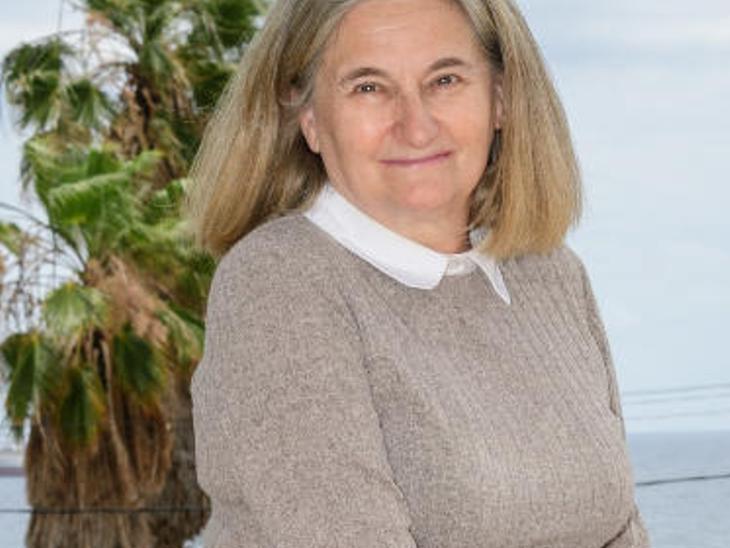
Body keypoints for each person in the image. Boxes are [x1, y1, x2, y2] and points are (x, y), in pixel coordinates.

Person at [182, 0, 650, 546]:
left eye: (445, 79)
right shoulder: (280, 286)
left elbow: (620, 526)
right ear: (307, 116)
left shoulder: (550, 275)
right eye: (368, 87)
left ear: (500, 97)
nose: (416, 126)